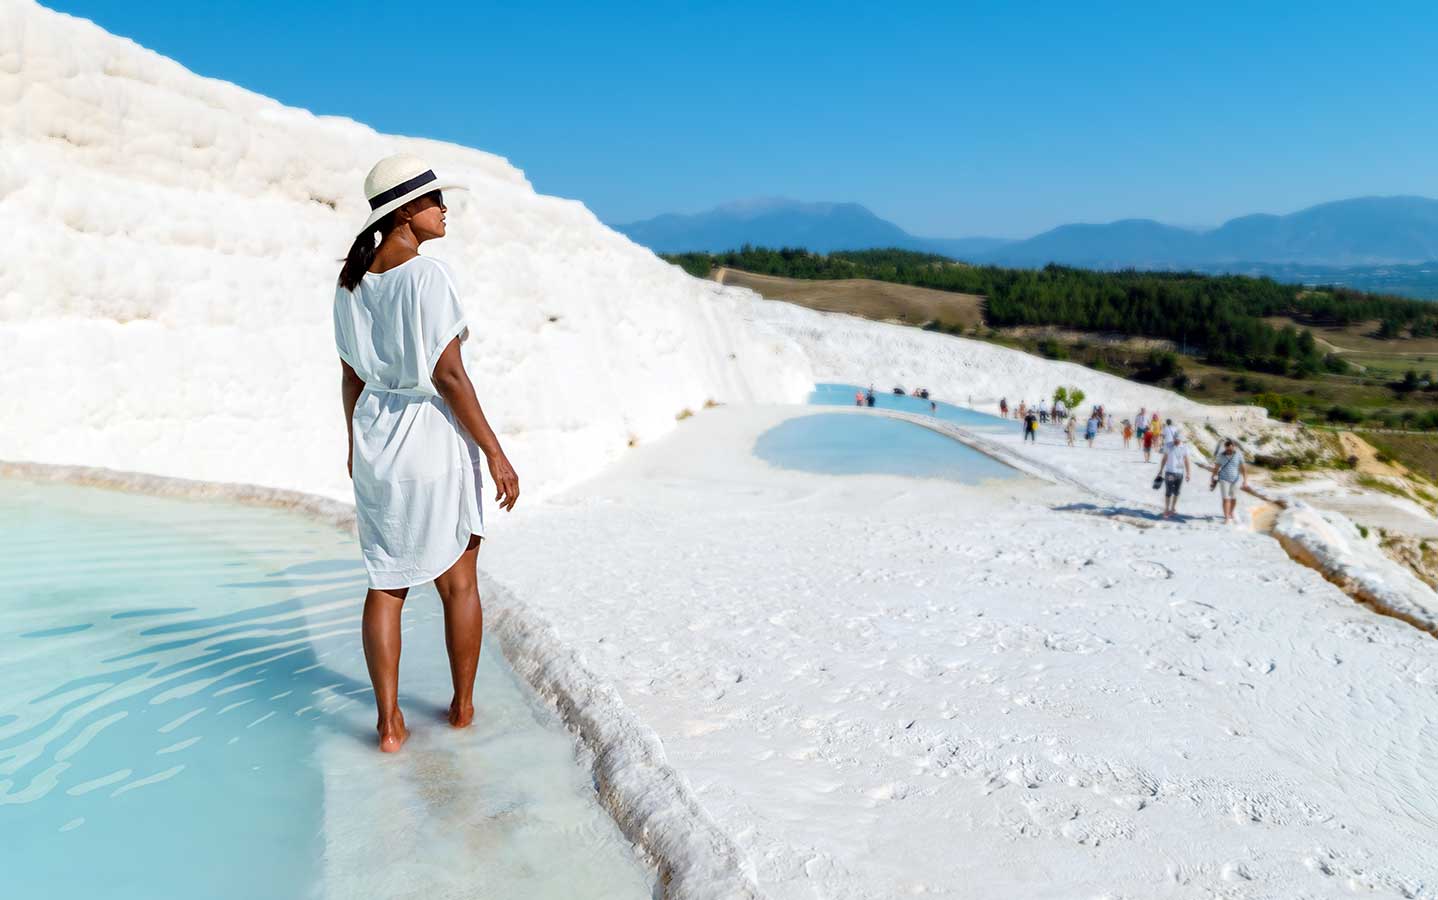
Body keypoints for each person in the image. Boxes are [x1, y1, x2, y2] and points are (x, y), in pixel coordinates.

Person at [334, 154, 521, 753]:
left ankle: (389, 725)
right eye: (437, 201)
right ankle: (463, 711)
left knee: (385, 582)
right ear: (407, 211)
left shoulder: (352, 283)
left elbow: (350, 377)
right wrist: (495, 452)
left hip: (376, 438)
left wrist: (352, 445)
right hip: (429, 435)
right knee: (458, 580)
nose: (446, 211)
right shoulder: (427, 276)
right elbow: (449, 374)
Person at [1211, 438, 1249, 524]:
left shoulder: (1239, 455)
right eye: (1227, 449)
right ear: (1225, 448)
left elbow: (1244, 469)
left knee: (1233, 499)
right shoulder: (1221, 455)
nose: (1229, 451)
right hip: (1224, 479)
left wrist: (1245, 481)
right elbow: (1216, 467)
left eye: (1230, 449)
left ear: (1234, 447)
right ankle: (1227, 517)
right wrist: (1213, 478)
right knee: (1226, 499)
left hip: (1235, 479)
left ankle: (1231, 512)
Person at [1157, 435, 1192, 519]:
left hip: (1179, 473)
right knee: (1168, 491)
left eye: (1178, 440)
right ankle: (1166, 509)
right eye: (1175, 439)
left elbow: (1187, 460)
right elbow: (1164, 458)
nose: (1176, 441)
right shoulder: (1168, 445)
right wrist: (1161, 470)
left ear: (1181, 440)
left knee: (1177, 492)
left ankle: (1172, 508)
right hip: (1170, 473)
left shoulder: (1184, 447)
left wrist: (1188, 473)